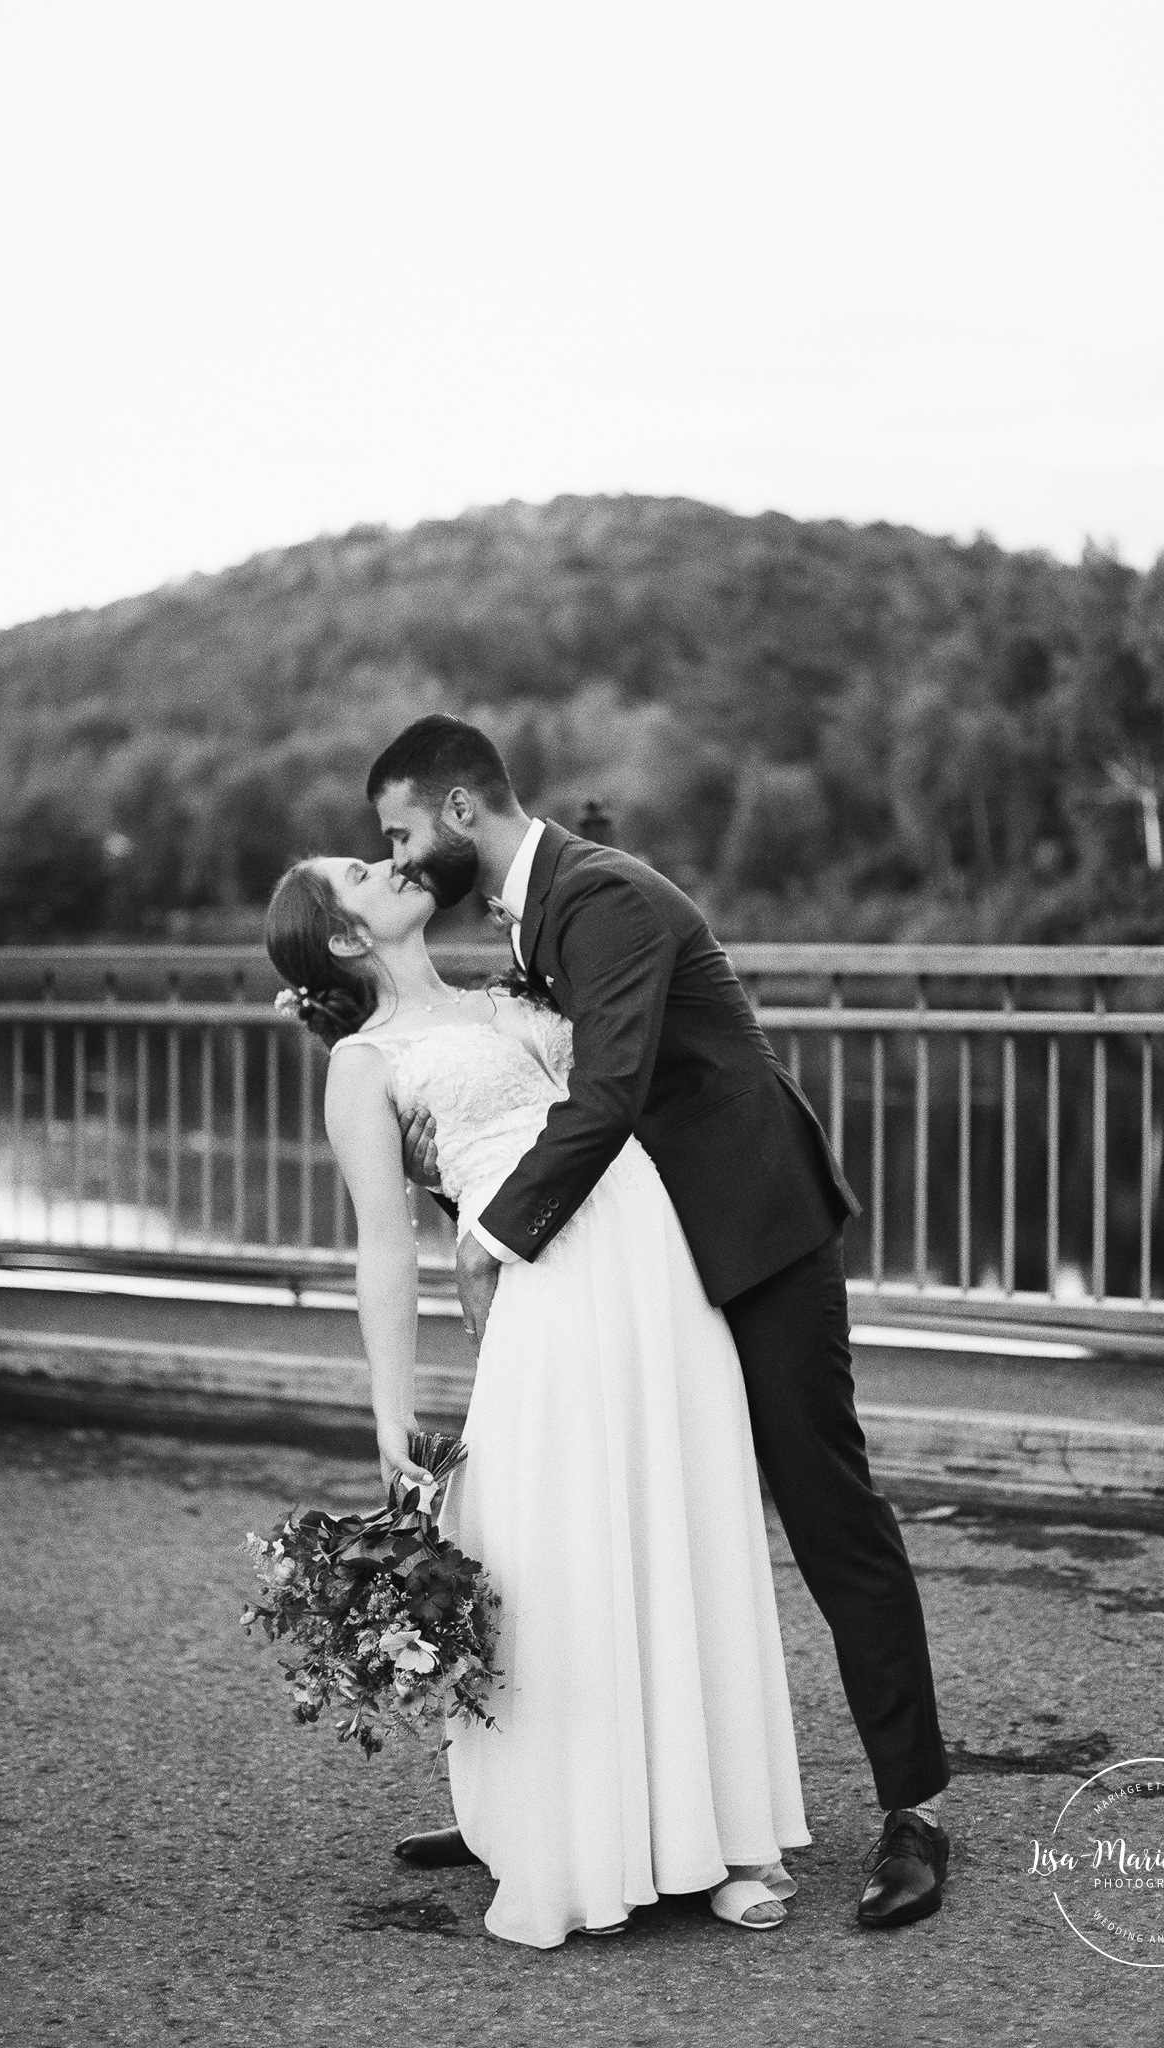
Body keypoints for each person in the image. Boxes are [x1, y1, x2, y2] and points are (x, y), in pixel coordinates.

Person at [368, 714, 952, 1930]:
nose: (403, 857)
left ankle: (917, 1810)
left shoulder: (602, 896)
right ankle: (550, 1812)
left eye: (402, 832)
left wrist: (487, 1239)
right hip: (648, 1265)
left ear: (461, 809)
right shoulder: (530, 914)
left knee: (827, 1505)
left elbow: (608, 1091)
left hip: (757, 1231)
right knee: (596, 1524)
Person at [266, 852, 810, 1948]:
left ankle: (732, 1836)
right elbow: (385, 1246)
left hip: (656, 1257)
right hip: (544, 1285)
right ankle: (591, 1843)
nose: (394, 862)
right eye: (363, 870)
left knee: (689, 1513)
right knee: (572, 1548)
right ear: (345, 937)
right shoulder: (364, 1065)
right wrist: (390, 1412)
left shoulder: (512, 991)